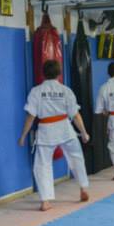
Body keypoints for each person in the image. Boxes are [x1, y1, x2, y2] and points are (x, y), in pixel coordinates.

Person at [20, 60, 90, 211]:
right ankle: (83, 188)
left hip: (46, 130)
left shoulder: (36, 91)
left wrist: (23, 136)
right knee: (76, 158)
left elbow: (30, 116)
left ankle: (45, 201)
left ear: (43, 74)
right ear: (59, 73)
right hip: (65, 128)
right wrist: (84, 133)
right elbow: (75, 115)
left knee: (42, 165)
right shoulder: (66, 91)